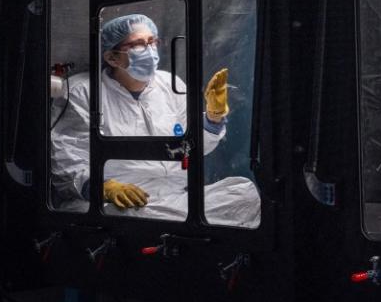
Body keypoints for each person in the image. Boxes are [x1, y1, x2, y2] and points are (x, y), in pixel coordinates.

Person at [50, 14, 260, 228]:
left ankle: (183, 225)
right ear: (112, 57)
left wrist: (212, 120)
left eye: (152, 42)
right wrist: (102, 187)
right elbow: (64, 157)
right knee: (138, 217)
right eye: (139, 45)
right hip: (116, 202)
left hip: (173, 197)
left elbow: (192, 147)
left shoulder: (169, 84)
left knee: (245, 194)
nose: (150, 50)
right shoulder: (82, 92)